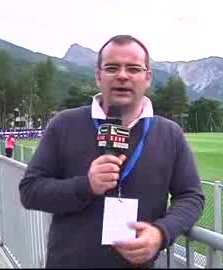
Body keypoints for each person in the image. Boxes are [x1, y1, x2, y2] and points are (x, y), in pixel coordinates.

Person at [19, 35, 205, 268]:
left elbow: (191, 197)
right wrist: (86, 185)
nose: (122, 75)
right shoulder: (64, 124)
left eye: (133, 68)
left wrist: (161, 233)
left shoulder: (170, 133)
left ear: (147, 78)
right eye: (112, 68)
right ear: (98, 76)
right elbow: (30, 191)